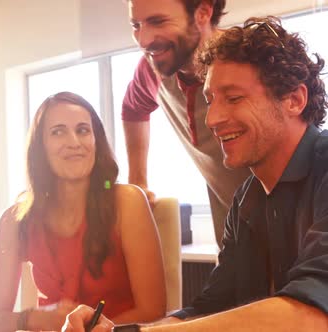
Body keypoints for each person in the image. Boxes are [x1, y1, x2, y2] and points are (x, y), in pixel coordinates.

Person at [62, 16, 328, 331]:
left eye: (233, 98)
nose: (213, 119)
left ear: (294, 100)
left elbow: (312, 315)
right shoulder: (247, 198)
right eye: (209, 100)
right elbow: (211, 308)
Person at [0, 92, 166, 331]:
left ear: (96, 141)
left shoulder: (128, 202)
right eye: (58, 132)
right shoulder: (14, 220)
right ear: (40, 147)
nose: (74, 142)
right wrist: (36, 318)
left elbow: (153, 311)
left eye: (83, 130)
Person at [123, 0, 251, 247]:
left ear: (203, 12)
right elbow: (133, 108)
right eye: (136, 25)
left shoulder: (251, 60)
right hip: (233, 236)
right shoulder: (152, 70)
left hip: (297, 228)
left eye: (158, 21)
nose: (143, 40)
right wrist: (137, 180)